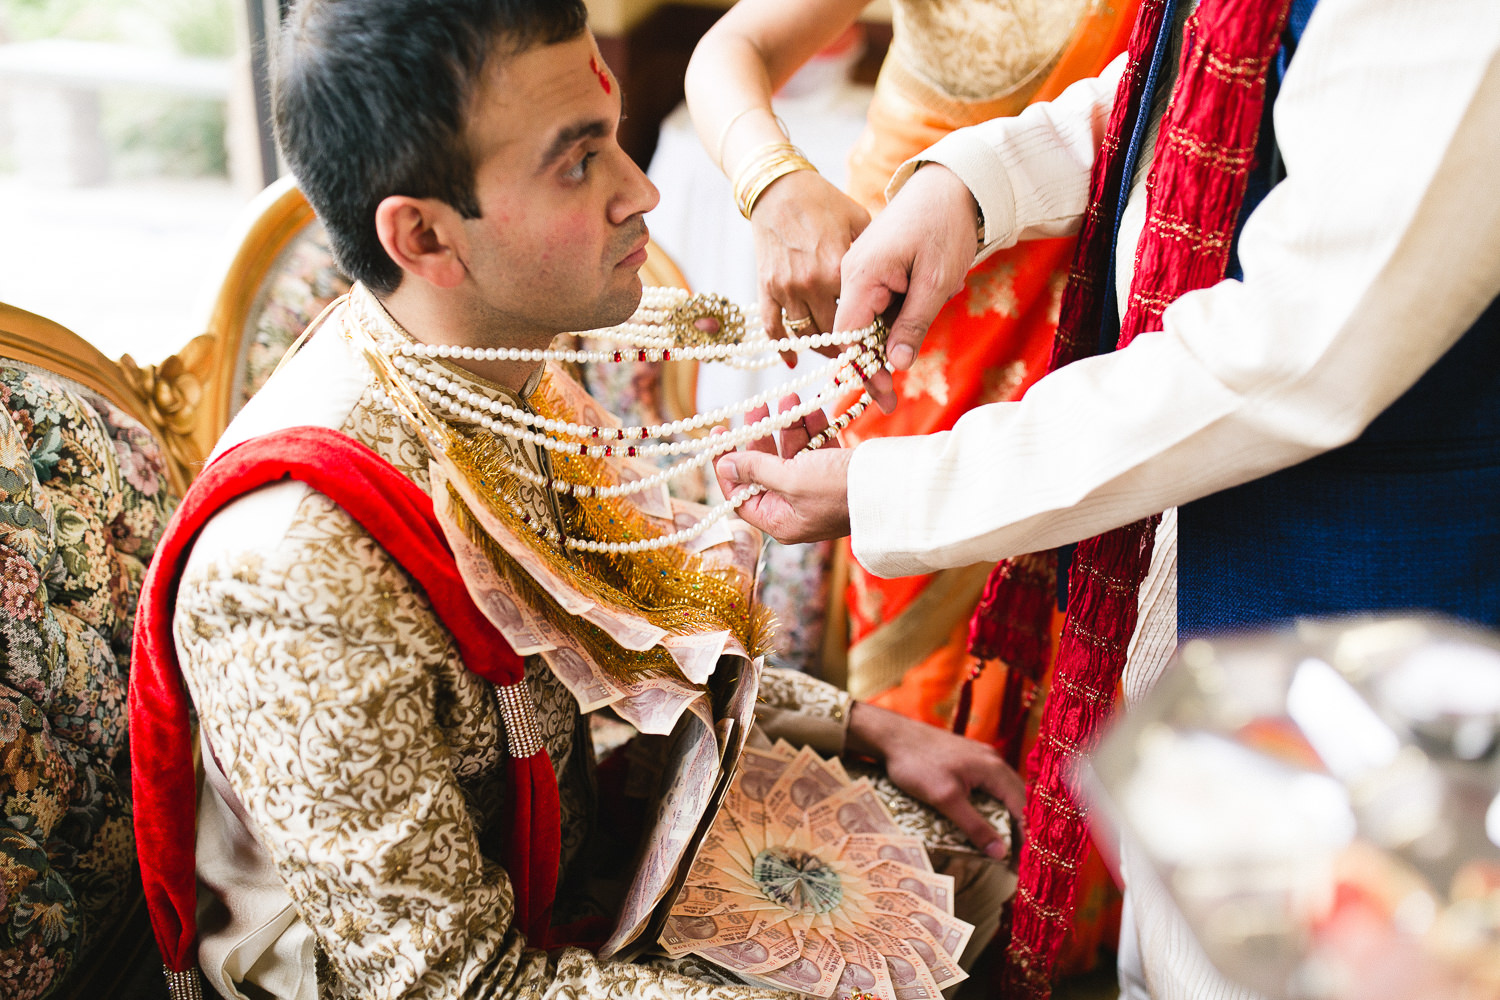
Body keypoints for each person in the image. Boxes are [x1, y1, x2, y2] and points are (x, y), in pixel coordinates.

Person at [126, 2, 1028, 999]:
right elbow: (457, 986)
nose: (641, 187)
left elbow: (615, 648)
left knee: (977, 885)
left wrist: (864, 724)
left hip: (569, 870)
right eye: (578, 160)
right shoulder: (295, 567)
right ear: (423, 233)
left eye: (614, 132)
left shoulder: (490, 364)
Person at [714, 0, 1500, 997]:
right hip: (1193, 599)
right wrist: (972, 183)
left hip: (1376, 622)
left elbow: (1286, 356)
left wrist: (903, 484)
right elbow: (1209, 86)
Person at [685, 0, 1134, 734]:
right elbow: (730, 48)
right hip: (908, 334)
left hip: (1113, 336)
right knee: (929, 673)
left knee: (1090, 652)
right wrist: (772, 181)